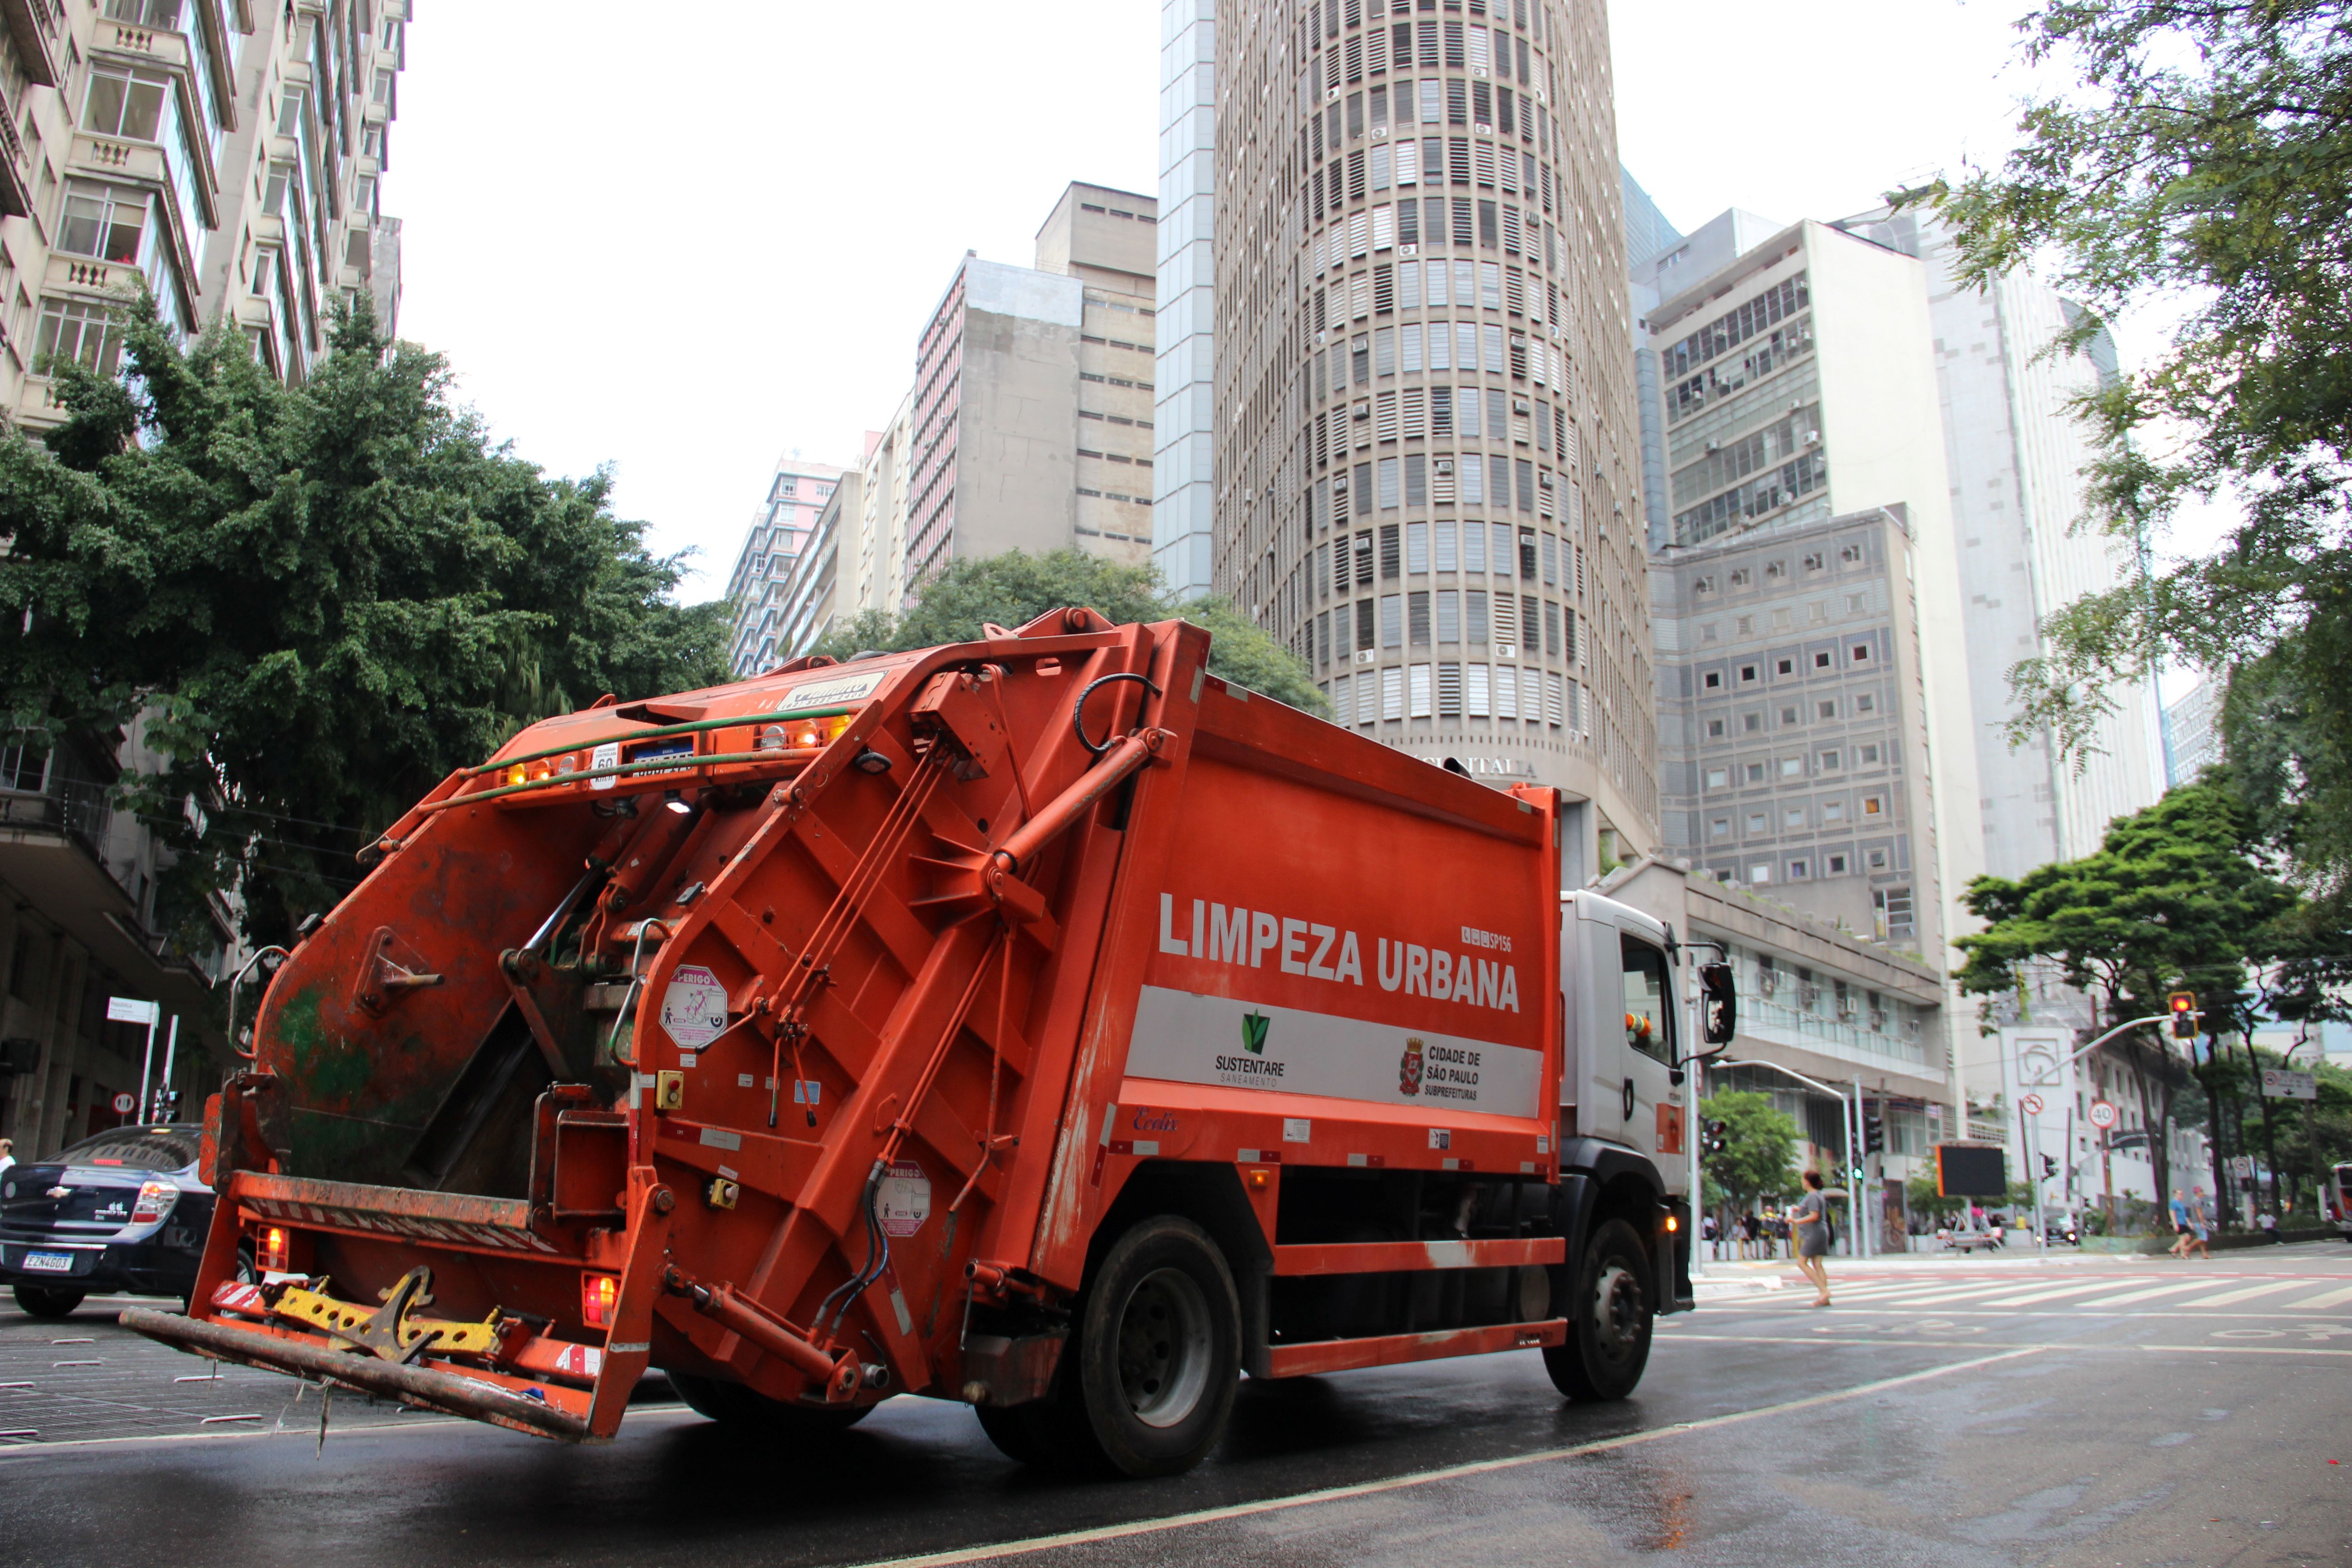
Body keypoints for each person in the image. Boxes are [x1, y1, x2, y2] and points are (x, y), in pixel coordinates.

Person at [1790, 1171, 1834, 1306]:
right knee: (1817, 1264)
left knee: (1802, 1262)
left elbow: (1814, 1216)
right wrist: (1799, 1209)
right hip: (1819, 1232)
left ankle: (1824, 1291)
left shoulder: (1813, 1196)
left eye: (1803, 1180)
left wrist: (1796, 1221)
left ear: (1808, 1182)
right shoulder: (1817, 1195)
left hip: (1814, 1233)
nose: (1802, 1182)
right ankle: (1824, 1297)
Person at [2185, 1187, 2213, 1259]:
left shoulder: (2194, 1200)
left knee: (2202, 1238)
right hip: (2198, 1222)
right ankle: (2188, 1248)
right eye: (2202, 1192)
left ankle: (2205, 1254)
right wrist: (2202, 1222)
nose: (2203, 1194)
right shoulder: (2197, 1201)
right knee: (2203, 1238)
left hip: (2196, 1222)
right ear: (2198, 1193)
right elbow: (2199, 1213)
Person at [2167, 1188, 2192, 1258]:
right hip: (2179, 1223)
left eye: (2182, 1194)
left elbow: (2184, 1215)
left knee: (2188, 1237)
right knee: (2183, 1238)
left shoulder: (2180, 1203)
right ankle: (2183, 1254)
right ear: (2176, 1195)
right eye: (2179, 1194)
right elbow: (2172, 1213)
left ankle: (2174, 1249)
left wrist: (2189, 1222)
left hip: (2183, 1223)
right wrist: (2175, 1224)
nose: (2181, 1195)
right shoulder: (2174, 1202)